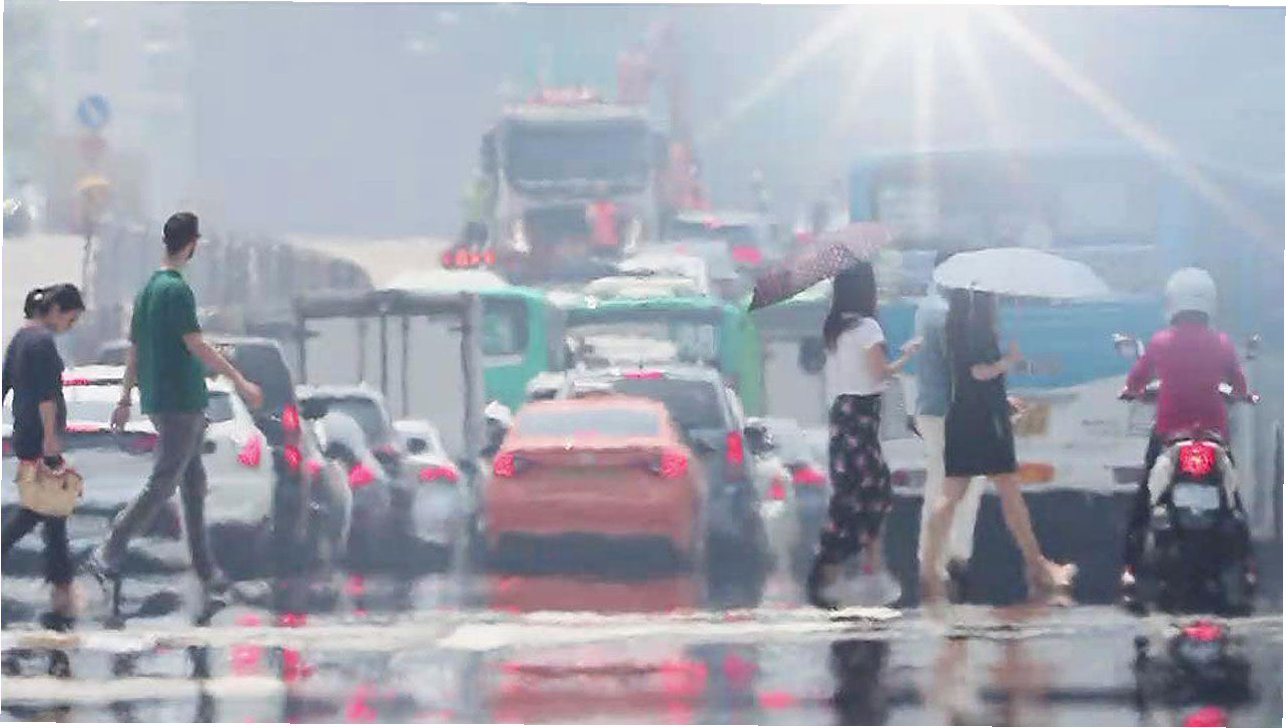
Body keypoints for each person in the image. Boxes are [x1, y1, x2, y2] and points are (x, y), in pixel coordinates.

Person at [83, 212, 263, 624]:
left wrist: (125, 397)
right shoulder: (176, 290)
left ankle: (206, 571)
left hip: (161, 398)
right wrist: (239, 379)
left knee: (193, 484)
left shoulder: (148, 290)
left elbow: (134, 349)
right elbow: (195, 343)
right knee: (164, 480)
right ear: (192, 243)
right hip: (182, 400)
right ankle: (109, 550)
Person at [919, 288, 1074, 604]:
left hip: (962, 415)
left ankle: (929, 569)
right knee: (1009, 492)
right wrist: (1008, 361)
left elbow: (966, 376)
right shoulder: (977, 326)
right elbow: (978, 371)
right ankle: (1038, 566)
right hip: (987, 421)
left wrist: (1000, 393)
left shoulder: (954, 324)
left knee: (950, 493)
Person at [1118, 267, 1249, 604]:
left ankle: (1131, 569)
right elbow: (1238, 385)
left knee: (1144, 501)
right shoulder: (1222, 343)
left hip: (1168, 432)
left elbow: (1135, 381)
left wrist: (1133, 391)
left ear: (1173, 302)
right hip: (1213, 431)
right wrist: (1241, 395)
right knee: (1233, 499)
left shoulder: (1160, 342)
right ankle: (1248, 569)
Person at [807, 262, 920, 609]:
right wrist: (906, 356)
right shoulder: (868, 328)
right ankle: (864, 569)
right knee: (874, 493)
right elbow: (879, 373)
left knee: (849, 495)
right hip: (862, 417)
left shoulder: (835, 328)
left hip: (843, 415)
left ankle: (840, 569)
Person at [1, 284, 85, 631]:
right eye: (70, 318)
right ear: (55, 310)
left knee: (48, 514)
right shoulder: (42, 343)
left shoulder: (20, 339)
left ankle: (62, 593)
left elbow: (5, 383)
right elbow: (47, 396)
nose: (69, 326)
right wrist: (51, 440)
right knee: (46, 512)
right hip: (40, 439)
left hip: (26, 435)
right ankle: (63, 594)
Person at [914, 252, 984, 601]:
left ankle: (942, 562)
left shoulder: (928, 306)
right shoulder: (945, 314)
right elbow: (962, 370)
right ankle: (948, 562)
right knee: (959, 487)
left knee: (943, 484)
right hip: (950, 411)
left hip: (933, 409)